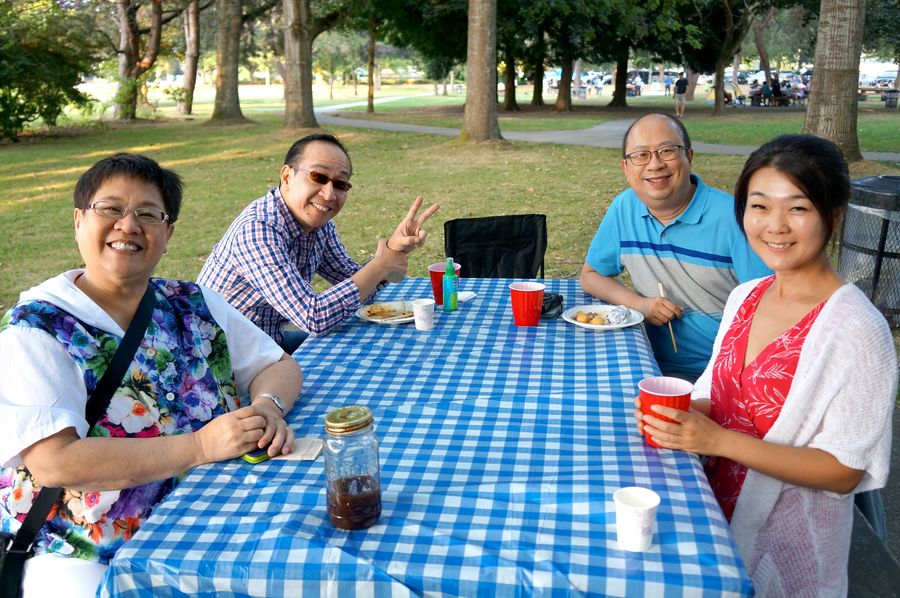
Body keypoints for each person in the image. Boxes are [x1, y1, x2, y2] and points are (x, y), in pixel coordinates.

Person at [0, 154, 305, 597]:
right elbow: (54, 462)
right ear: (79, 221)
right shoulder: (38, 331)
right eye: (110, 209)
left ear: (168, 233)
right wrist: (201, 446)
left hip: (219, 517)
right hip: (87, 552)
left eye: (148, 214)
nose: (128, 226)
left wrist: (266, 407)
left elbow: (277, 364)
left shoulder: (190, 303)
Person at [634, 134, 896, 597]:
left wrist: (718, 440)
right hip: (709, 515)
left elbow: (844, 471)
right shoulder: (746, 296)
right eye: (759, 207)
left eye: (798, 208)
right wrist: (681, 415)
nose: (775, 226)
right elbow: (718, 394)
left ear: (833, 215)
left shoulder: (857, 328)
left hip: (786, 549)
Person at [197, 134, 439, 353]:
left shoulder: (319, 226)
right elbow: (314, 318)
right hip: (218, 361)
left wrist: (391, 252)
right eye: (318, 177)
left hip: (266, 342)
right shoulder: (258, 229)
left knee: (374, 350)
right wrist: (379, 266)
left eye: (340, 184)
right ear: (287, 176)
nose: (329, 194)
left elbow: (360, 287)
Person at [580, 114, 771, 381]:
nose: (655, 164)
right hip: (650, 364)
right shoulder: (624, 208)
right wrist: (639, 305)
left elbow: (772, 307)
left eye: (667, 151)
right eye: (641, 155)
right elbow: (591, 275)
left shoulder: (736, 218)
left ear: (689, 157)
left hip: (728, 375)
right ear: (626, 167)